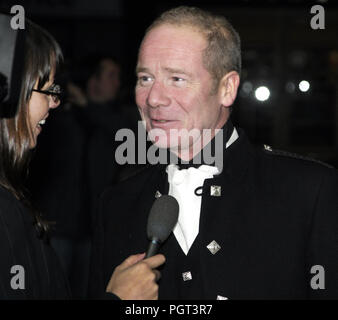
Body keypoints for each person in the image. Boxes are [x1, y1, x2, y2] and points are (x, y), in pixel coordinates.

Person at [89, 6, 338, 299]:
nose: (153, 98)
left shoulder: (310, 192)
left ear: (227, 88)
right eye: (145, 79)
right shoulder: (116, 204)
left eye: (177, 79)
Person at [0, 16, 163, 300]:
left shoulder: (113, 118)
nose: (54, 101)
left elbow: (132, 139)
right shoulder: (62, 121)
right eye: (110, 75)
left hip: (88, 227)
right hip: (60, 224)